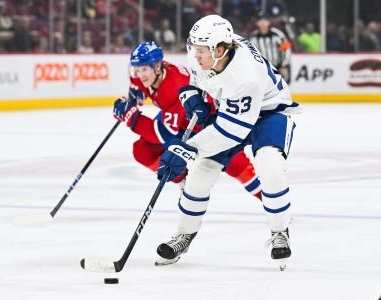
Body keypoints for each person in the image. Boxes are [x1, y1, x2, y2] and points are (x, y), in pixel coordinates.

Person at [155, 15, 300, 271]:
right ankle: (185, 235)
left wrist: (186, 150)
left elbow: (231, 131)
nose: (195, 55)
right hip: (232, 111)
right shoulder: (205, 51)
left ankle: (280, 230)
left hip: (269, 111)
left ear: (220, 50)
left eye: (202, 50)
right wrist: (191, 95)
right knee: (200, 172)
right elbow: (196, 78)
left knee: (270, 164)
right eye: (194, 48)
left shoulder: (244, 76)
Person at [112, 41, 263, 202]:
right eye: (137, 69)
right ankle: (186, 184)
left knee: (237, 165)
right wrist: (132, 97)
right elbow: (139, 88)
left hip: (209, 123)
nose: (140, 75)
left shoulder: (174, 87)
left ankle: (270, 201)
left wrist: (132, 117)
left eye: (144, 69)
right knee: (143, 151)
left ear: (157, 67)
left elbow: (161, 135)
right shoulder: (150, 75)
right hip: (182, 123)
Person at [249, 11, 292, 84]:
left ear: (269, 22)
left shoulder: (277, 34)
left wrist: (284, 65)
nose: (262, 23)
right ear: (257, 23)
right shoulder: (253, 37)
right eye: (260, 21)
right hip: (262, 70)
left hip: (278, 67)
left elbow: (287, 49)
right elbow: (250, 54)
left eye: (265, 20)